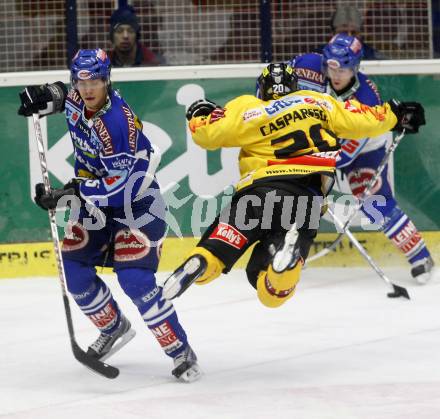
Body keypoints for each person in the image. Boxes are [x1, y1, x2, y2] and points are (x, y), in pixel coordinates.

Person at [161, 62, 425, 308]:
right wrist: (396, 113)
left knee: (218, 249)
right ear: (294, 87)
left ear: (261, 89)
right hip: (305, 196)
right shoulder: (319, 102)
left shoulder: (248, 107)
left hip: (256, 194)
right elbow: (364, 119)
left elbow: (207, 135)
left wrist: (201, 114)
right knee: (270, 293)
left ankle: (203, 261)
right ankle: (282, 264)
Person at [17, 48, 200, 382]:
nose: (88, 89)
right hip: (95, 201)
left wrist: (68, 194)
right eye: (81, 81)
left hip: (136, 203)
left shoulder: (115, 123)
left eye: (96, 82)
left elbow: (118, 188)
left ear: (107, 80)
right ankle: (114, 328)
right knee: (73, 267)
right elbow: (62, 96)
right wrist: (42, 95)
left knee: (135, 280)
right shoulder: (78, 97)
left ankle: (180, 350)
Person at [290, 33, 434, 284]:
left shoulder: (366, 99)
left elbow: (346, 154)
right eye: (330, 67)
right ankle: (291, 254)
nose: (334, 75)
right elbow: (273, 80)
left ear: (355, 68)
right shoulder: (307, 65)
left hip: (366, 147)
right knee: (297, 192)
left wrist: (313, 164)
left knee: (373, 198)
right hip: (322, 141)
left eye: (343, 70)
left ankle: (419, 255)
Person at [314, 4, 386, 60]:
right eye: (343, 33)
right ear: (332, 34)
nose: (349, 37)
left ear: (360, 34)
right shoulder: (318, 55)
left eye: (354, 33)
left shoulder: (372, 55)